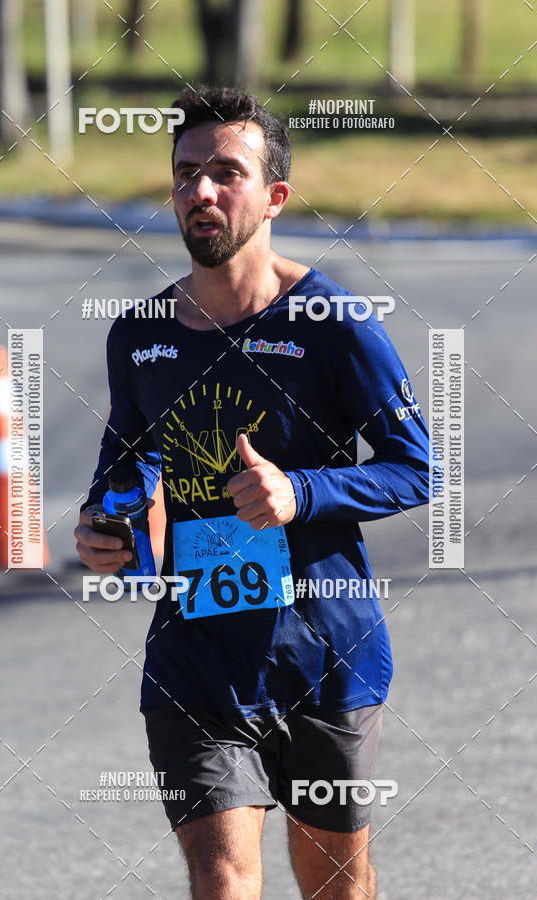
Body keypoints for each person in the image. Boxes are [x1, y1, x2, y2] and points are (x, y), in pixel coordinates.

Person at [75, 86, 430, 900]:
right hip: (195, 656)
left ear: (274, 198)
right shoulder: (139, 337)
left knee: (335, 885)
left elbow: (418, 466)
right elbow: (125, 467)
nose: (200, 190)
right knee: (222, 881)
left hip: (325, 653)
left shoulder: (335, 324)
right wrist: (105, 524)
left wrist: (299, 492)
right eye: (186, 173)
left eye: (225, 173)